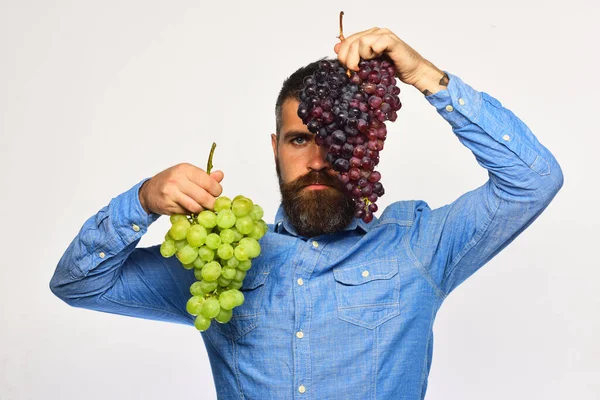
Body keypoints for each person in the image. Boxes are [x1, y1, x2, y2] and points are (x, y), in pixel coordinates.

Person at [50, 27, 564, 399]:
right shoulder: (223, 258)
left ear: (365, 144)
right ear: (276, 147)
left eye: (337, 141)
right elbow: (78, 285)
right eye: (300, 140)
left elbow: (533, 180)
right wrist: (140, 201)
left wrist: (425, 75)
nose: (318, 161)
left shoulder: (419, 245)